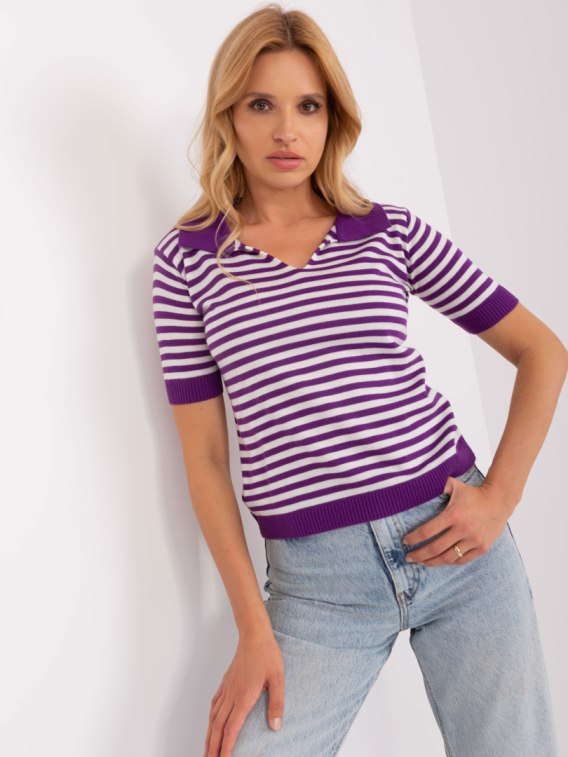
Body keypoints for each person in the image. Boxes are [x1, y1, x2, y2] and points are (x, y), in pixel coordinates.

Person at [151, 5, 566, 756]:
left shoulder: (389, 231)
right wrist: (252, 628)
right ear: (228, 115)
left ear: (333, 118)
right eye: (261, 105)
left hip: (460, 546)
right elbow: (206, 459)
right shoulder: (187, 261)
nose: (287, 131)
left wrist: (500, 496)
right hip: (317, 590)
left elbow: (542, 351)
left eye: (308, 106)